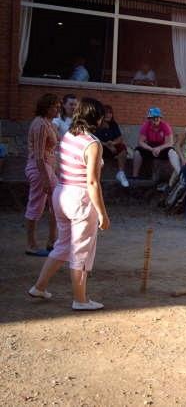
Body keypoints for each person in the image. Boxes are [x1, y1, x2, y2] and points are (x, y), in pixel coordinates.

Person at [29, 97, 110, 311]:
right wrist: (103, 213)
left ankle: (39, 287)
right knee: (81, 251)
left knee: (63, 245)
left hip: (62, 192)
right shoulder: (92, 143)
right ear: (97, 118)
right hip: (80, 197)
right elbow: (92, 182)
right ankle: (80, 299)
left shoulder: (68, 136)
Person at [25, 93, 60, 257]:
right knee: (36, 206)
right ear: (47, 107)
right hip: (40, 169)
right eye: (55, 106)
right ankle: (31, 245)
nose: (58, 109)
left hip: (47, 169)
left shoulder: (48, 123)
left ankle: (52, 242)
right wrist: (45, 178)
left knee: (56, 205)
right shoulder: (40, 124)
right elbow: (39, 155)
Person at [132, 107, 181, 186]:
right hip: (150, 148)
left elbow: (170, 142)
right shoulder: (145, 126)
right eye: (153, 118)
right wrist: (151, 149)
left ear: (160, 118)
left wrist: (159, 148)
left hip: (162, 148)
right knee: (137, 151)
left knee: (172, 151)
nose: (155, 119)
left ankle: (180, 173)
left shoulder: (165, 126)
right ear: (149, 119)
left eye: (157, 117)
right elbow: (140, 142)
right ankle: (135, 176)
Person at [96, 104, 129, 188]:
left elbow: (120, 138)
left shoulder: (113, 124)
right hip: (100, 148)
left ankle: (121, 173)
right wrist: (106, 144)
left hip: (111, 148)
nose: (108, 115)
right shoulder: (97, 125)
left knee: (122, 147)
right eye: (106, 113)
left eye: (110, 113)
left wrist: (113, 143)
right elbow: (93, 139)